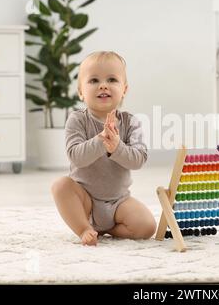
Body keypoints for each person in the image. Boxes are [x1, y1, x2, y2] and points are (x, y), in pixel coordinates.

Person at [51, 51, 156, 246]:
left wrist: (117, 147)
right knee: (61, 187)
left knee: (147, 227)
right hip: (85, 200)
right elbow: (76, 156)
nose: (103, 85)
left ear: (124, 89)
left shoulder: (131, 122)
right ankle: (84, 228)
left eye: (112, 79)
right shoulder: (77, 120)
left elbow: (139, 159)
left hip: (118, 201)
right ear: (81, 91)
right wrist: (100, 140)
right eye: (93, 80)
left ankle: (109, 228)